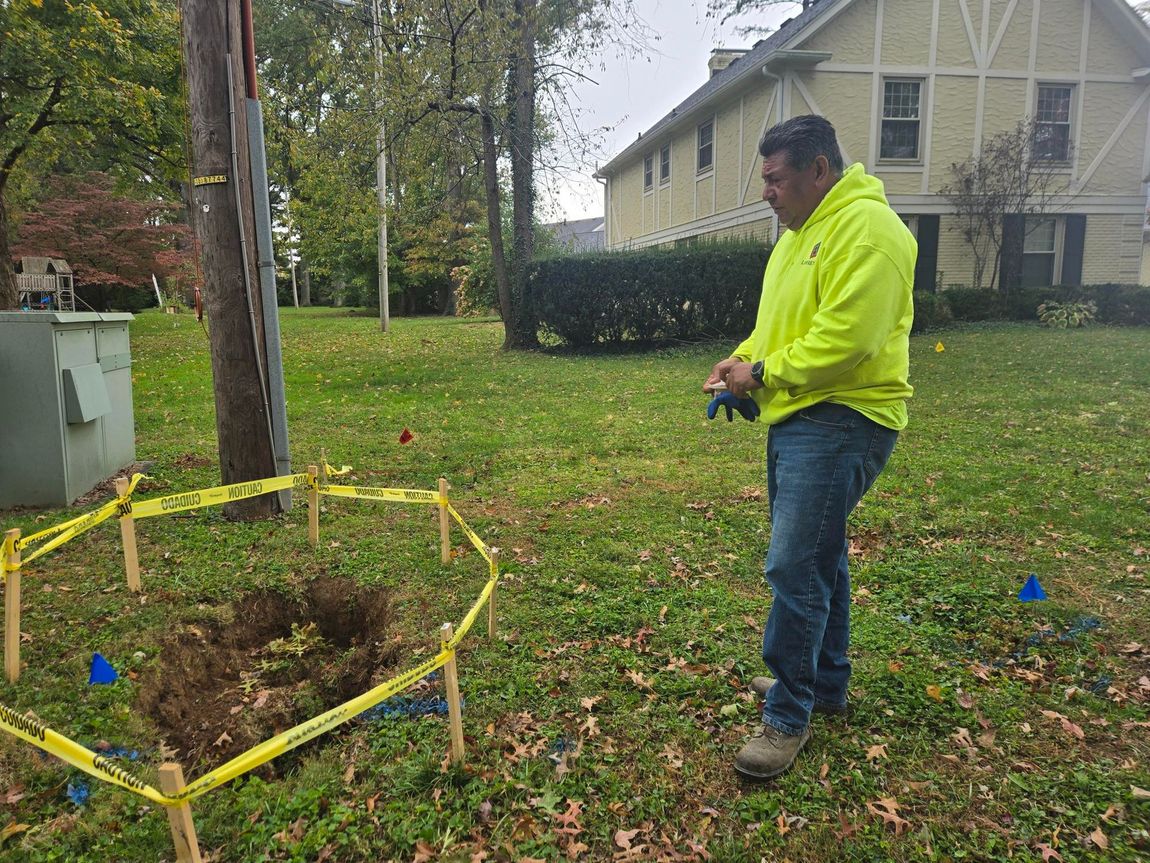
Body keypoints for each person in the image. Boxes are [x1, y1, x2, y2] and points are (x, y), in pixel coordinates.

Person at [703, 114, 915, 781]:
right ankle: (825, 683)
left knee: (794, 566)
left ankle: (789, 716)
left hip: (844, 416)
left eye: (775, 178)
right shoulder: (797, 238)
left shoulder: (872, 232)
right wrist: (741, 362)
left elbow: (848, 338)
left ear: (818, 169)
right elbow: (781, 329)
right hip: (798, 416)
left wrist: (763, 375)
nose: (766, 192)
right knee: (821, 556)